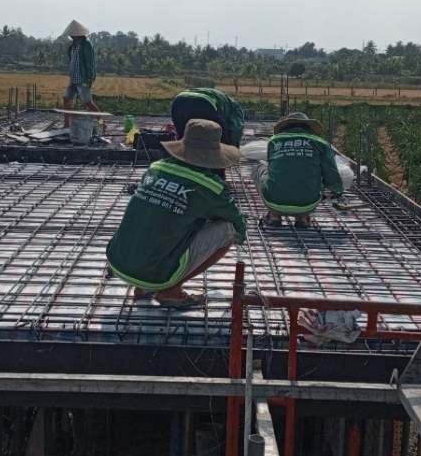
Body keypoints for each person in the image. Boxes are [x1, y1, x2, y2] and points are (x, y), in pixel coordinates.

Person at [107, 120, 245, 308]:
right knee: (228, 230)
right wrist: (238, 235)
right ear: (214, 155)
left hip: (117, 261)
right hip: (155, 275)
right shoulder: (210, 186)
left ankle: (141, 287)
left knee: (155, 215)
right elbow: (237, 224)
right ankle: (170, 291)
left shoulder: (156, 168)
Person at [258, 112, 344, 228]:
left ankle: (274, 216)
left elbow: (272, 166)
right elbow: (331, 173)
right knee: (312, 175)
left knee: (261, 169)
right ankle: (303, 217)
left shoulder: (274, 140)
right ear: (308, 127)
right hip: (308, 204)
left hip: (274, 202)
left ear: (286, 126)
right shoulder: (320, 143)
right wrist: (337, 191)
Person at [170, 87, 245, 147]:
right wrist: (233, 149)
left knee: (184, 136)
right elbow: (235, 132)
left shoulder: (227, 103)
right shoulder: (236, 110)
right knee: (219, 138)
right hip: (204, 102)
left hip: (179, 99)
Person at [61, 19, 99, 125]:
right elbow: (72, 60)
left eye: (72, 34)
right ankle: (66, 124)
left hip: (82, 79)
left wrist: (90, 78)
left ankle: (102, 123)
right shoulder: (72, 45)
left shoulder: (86, 44)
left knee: (88, 102)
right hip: (73, 78)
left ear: (77, 33)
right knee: (66, 99)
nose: (70, 36)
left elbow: (90, 62)